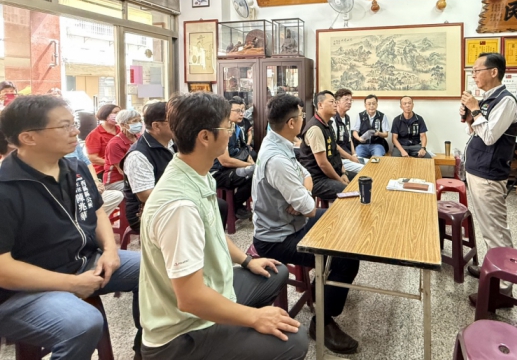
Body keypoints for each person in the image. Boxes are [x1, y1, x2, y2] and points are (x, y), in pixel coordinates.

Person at [138, 92, 308, 360]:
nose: (231, 133)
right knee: (295, 341)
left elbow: (215, 232)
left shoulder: (197, 173)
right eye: (227, 127)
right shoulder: (179, 206)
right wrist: (254, 318)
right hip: (182, 332)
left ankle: (235, 333)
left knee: (274, 272)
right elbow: (190, 299)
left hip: (210, 291)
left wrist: (246, 260)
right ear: (205, 137)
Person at [0, 95, 141, 360]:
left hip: (83, 263)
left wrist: (110, 251)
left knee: (156, 270)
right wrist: (72, 283)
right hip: (22, 291)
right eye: (64, 126)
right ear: (28, 137)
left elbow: (97, 211)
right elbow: (3, 270)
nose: (75, 131)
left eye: (73, 123)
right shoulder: (5, 188)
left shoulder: (74, 168)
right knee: (82, 323)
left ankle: (148, 350)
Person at [253, 94, 360, 355]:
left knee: (345, 223)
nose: (304, 119)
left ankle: (325, 289)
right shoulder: (276, 158)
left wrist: (303, 194)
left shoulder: (280, 141)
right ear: (291, 123)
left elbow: (307, 175)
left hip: (294, 223)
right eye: (301, 116)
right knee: (346, 255)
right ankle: (322, 322)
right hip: (277, 238)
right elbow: (309, 208)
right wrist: (303, 199)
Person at [460, 53, 517, 307]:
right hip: (477, 170)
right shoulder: (488, 99)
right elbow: (476, 131)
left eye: (477, 70)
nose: (473, 75)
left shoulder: (506, 101)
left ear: (493, 72)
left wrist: (475, 109)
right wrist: (469, 117)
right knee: (487, 227)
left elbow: (490, 137)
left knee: (495, 230)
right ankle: (492, 268)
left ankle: (503, 290)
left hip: (489, 173)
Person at [122, 101, 229, 233]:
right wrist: (188, 195)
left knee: (218, 205)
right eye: (174, 121)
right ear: (156, 126)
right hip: (147, 210)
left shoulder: (173, 142)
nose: (180, 125)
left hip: (177, 197)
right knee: (201, 212)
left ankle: (211, 242)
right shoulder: (138, 155)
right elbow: (146, 196)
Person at [298, 91, 356, 201]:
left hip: (333, 172)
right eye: (332, 102)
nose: (335, 104)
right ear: (320, 105)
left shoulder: (328, 124)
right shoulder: (315, 128)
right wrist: (340, 180)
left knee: (362, 179)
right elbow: (323, 164)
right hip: (317, 179)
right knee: (349, 192)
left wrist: (343, 173)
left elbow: (335, 151)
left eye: (335, 102)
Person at [211, 97, 256, 221]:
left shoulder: (237, 129)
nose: (241, 114)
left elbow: (244, 149)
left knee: (257, 172)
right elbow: (225, 161)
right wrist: (249, 166)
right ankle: (234, 206)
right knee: (253, 172)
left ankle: (237, 204)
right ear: (227, 112)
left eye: (242, 110)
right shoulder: (220, 131)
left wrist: (251, 162)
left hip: (231, 168)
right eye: (237, 111)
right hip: (218, 172)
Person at [66, 141, 123, 217]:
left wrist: (96, 182)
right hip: (75, 192)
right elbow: (93, 158)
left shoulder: (74, 143)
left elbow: (87, 163)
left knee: (116, 196)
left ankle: (91, 218)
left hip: (87, 187)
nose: (75, 134)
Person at [103, 110, 142, 191]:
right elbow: (122, 170)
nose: (139, 124)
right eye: (135, 121)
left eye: (140, 121)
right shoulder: (115, 144)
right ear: (123, 124)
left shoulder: (140, 138)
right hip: (117, 181)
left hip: (136, 177)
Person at [85, 103, 121, 180]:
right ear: (105, 114)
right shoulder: (95, 134)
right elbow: (93, 158)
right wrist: (114, 164)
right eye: (115, 112)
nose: (118, 114)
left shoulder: (121, 130)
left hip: (121, 169)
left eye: (119, 112)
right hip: (103, 171)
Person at [332, 88, 364, 174]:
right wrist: (351, 158)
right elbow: (334, 145)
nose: (349, 102)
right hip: (340, 159)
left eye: (351, 100)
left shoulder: (347, 118)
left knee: (372, 163)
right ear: (337, 102)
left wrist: (354, 155)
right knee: (366, 169)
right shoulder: (332, 119)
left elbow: (349, 139)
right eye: (346, 99)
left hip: (349, 156)